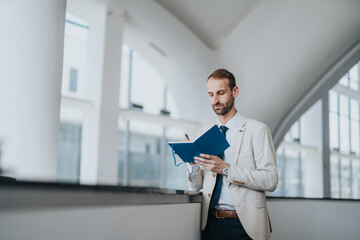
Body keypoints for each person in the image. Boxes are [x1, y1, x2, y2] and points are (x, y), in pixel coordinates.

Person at [187, 68, 278, 240]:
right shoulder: (203, 132)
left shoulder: (258, 130)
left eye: (220, 93)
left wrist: (226, 169)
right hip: (210, 224)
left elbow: (271, 180)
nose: (215, 100)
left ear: (234, 91)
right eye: (211, 94)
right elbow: (196, 186)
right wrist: (191, 165)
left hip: (244, 225)